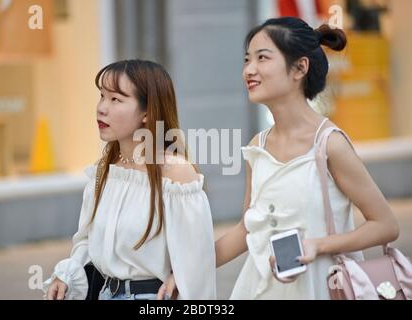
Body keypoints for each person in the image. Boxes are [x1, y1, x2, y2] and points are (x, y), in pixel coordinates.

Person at [159, 17, 399, 300]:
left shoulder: (329, 144)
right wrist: (186, 272)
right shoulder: (257, 147)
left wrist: (318, 246)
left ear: (300, 68)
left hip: (322, 288)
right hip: (261, 289)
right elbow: (245, 229)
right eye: (247, 59)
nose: (249, 69)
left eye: (263, 58)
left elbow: (386, 225)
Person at [42, 60, 216, 300]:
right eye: (102, 96)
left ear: (147, 112)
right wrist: (67, 275)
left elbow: (197, 262)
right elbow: (87, 241)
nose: (101, 108)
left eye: (115, 99)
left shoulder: (175, 173)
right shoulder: (104, 170)